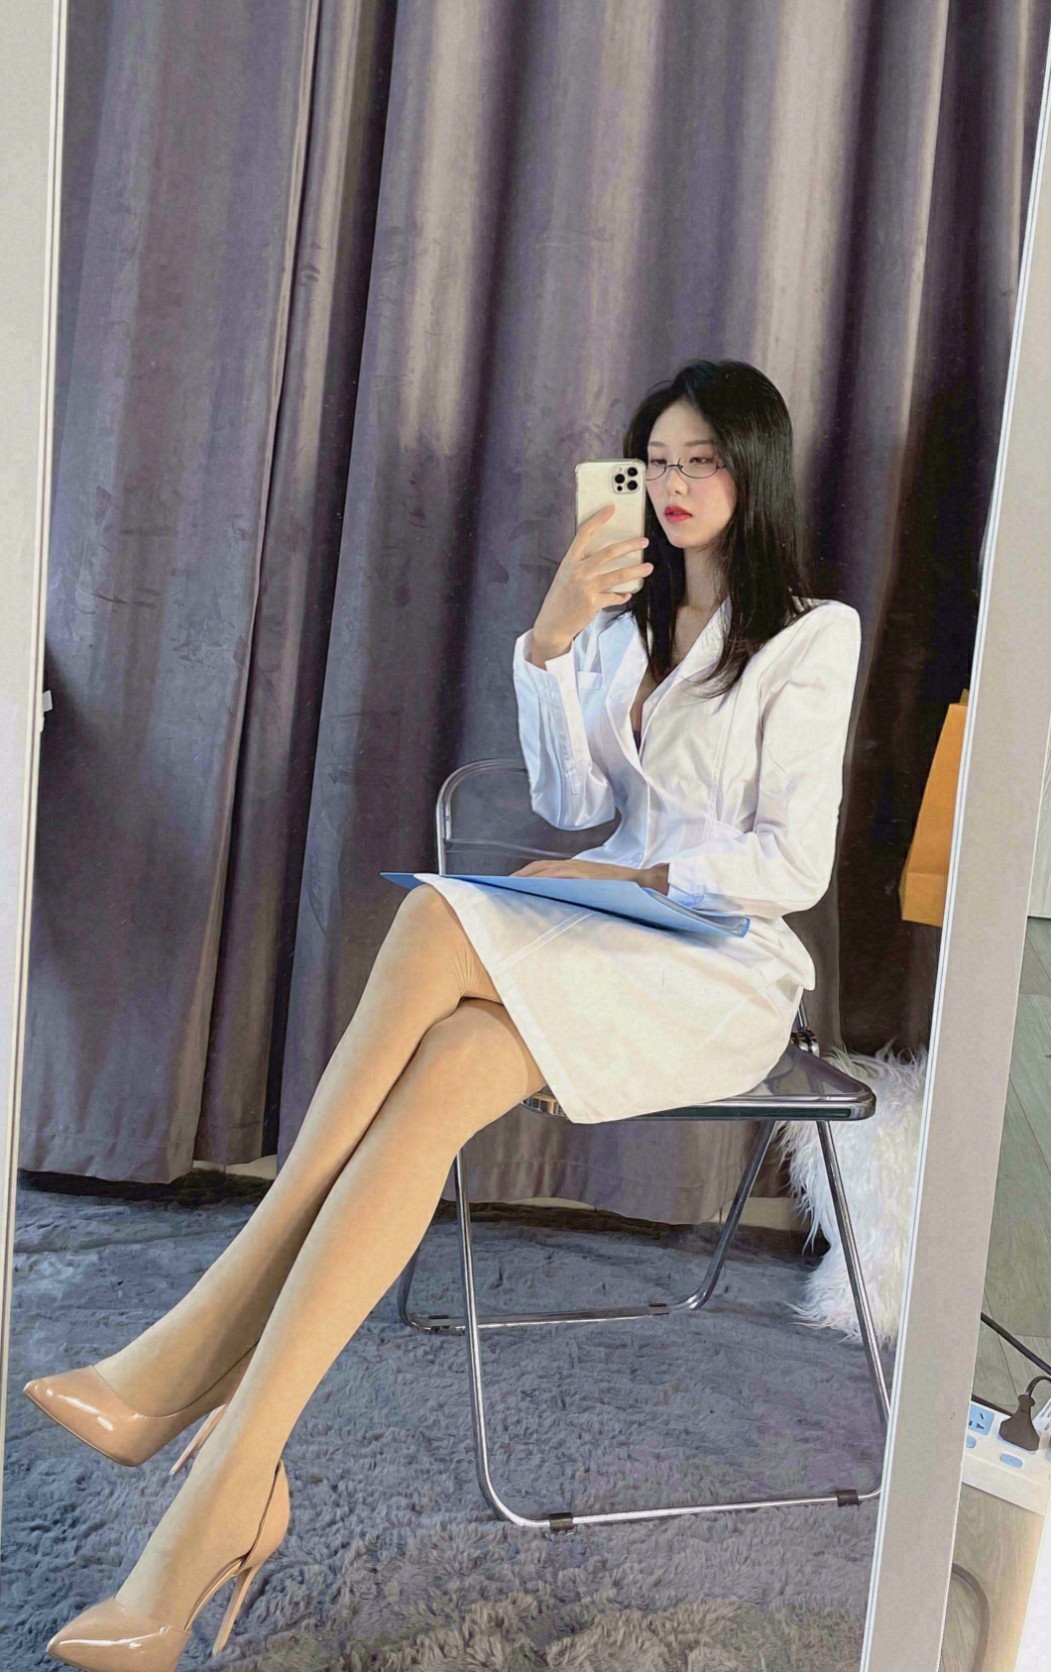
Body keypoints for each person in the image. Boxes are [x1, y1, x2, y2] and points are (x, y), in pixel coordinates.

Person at [28, 358, 862, 1670]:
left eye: (705, 458)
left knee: (432, 921)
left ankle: (202, 1345)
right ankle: (229, 1488)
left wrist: (628, 878)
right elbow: (567, 797)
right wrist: (554, 633)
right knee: (452, 1058)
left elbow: (791, 864)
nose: (677, 483)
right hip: (604, 940)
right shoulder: (627, 625)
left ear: (755, 468)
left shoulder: (815, 635)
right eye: (658, 460)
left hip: (717, 967)